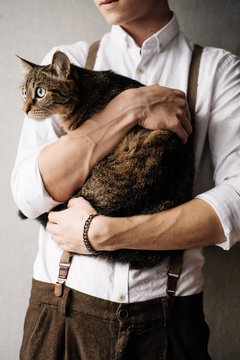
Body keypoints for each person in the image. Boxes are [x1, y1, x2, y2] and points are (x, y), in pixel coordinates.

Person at [11, 0, 240, 359]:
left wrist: (101, 234)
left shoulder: (217, 70)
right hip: (60, 313)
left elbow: (237, 205)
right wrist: (128, 108)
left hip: (168, 322)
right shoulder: (64, 61)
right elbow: (27, 196)